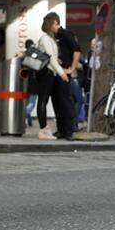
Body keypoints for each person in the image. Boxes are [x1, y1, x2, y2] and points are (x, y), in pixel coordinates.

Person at [35, 12, 75, 140]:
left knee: (44, 101)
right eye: (56, 24)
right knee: (43, 101)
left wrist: (59, 63)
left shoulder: (49, 38)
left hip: (50, 73)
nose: (58, 26)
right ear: (51, 24)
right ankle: (43, 130)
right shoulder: (45, 39)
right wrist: (62, 73)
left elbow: (52, 58)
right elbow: (51, 59)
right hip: (46, 74)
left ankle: (44, 129)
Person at [54, 19, 82, 133]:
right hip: (61, 72)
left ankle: (71, 127)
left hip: (67, 74)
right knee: (62, 100)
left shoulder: (66, 34)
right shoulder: (56, 36)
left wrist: (72, 68)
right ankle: (64, 128)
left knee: (69, 100)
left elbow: (77, 50)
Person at [22, 39, 39, 127]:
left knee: (27, 102)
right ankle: (24, 116)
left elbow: (23, 70)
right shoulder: (34, 56)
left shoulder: (23, 56)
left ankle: (27, 118)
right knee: (32, 102)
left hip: (25, 83)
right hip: (34, 82)